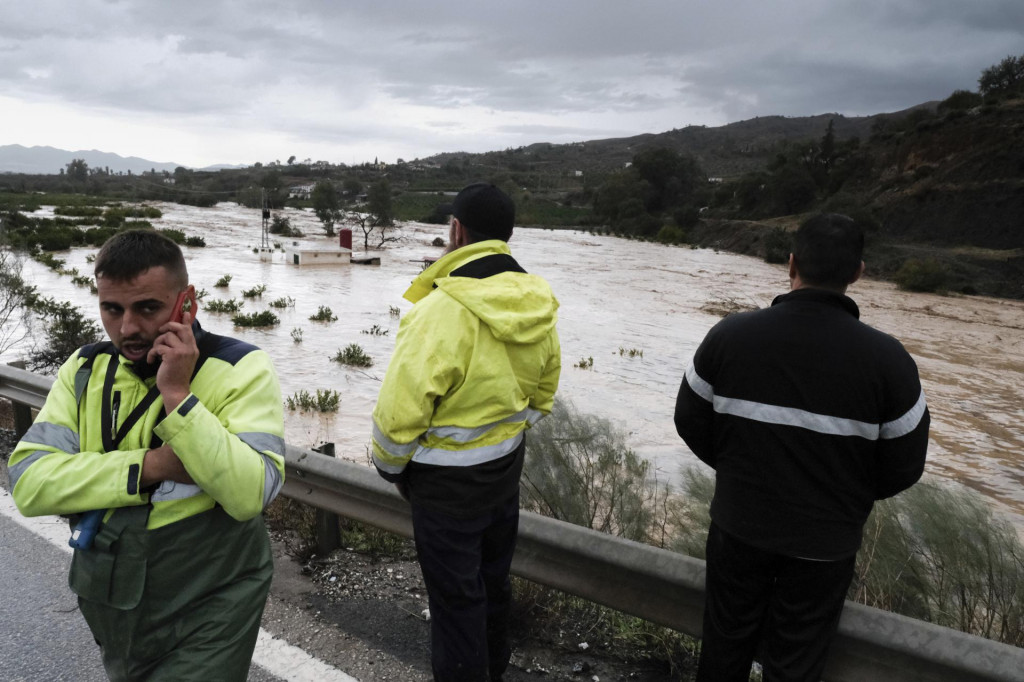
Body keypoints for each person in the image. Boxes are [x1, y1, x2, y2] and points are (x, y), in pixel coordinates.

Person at [9, 229, 286, 681]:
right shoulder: (84, 369)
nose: (127, 329)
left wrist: (178, 395)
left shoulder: (240, 367)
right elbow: (27, 481)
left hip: (210, 595)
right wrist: (151, 467)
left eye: (147, 308)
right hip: (111, 595)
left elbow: (250, 493)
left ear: (186, 302)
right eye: (111, 309)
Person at [674, 213, 930, 681]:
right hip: (825, 545)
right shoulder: (890, 361)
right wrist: (843, 497)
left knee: (723, 649)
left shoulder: (730, 335)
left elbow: (689, 421)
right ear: (858, 273)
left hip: (738, 526)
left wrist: (738, 473)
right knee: (796, 664)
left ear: (790, 264)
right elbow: (906, 464)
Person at [371, 182, 561, 681]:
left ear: (456, 230)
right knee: (493, 589)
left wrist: (392, 468)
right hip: (504, 472)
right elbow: (544, 391)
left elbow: (400, 414)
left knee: (457, 605)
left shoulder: (440, 310)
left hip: (444, 488)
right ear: (507, 234)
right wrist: (504, 437)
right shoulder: (538, 300)